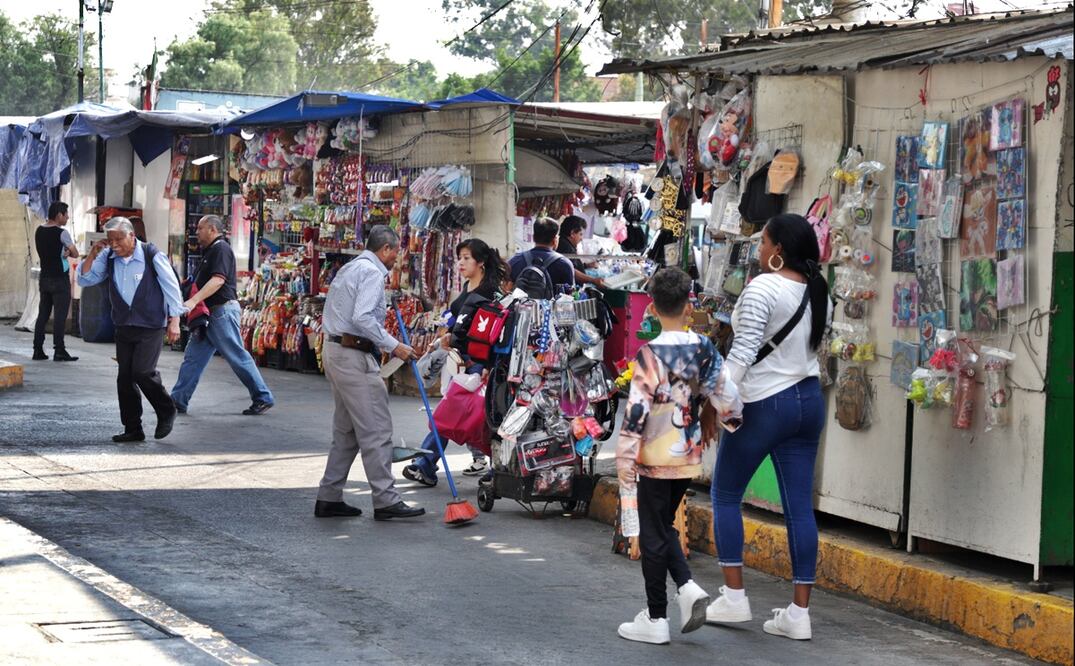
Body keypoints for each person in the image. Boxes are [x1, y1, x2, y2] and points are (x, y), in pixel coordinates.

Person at [707, 213, 832, 641]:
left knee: (725, 494)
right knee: (799, 506)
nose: (759, 250)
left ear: (777, 249)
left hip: (764, 403)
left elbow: (741, 354)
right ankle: (799, 614)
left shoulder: (763, 286)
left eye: (763, 243)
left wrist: (720, 400)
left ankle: (734, 596)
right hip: (808, 400)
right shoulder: (818, 289)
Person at [615, 267, 742, 645]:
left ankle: (656, 618)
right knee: (662, 526)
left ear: (651, 308)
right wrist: (729, 421)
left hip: (653, 458)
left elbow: (635, 414)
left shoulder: (649, 354)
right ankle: (686, 588)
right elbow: (728, 396)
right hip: (688, 456)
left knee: (654, 535)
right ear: (690, 306)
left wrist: (624, 463)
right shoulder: (704, 348)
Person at [315, 225, 425, 521]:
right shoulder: (373, 272)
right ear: (386, 249)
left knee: (347, 432)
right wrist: (395, 345)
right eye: (395, 253)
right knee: (376, 429)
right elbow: (362, 317)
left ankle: (329, 496)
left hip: (337, 351)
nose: (396, 260)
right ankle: (386, 499)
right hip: (353, 356)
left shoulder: (351, 267)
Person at [402, 238, 507, 487]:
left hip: (480, 368)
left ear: (480, 262)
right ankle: (426, 464)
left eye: (466, 258)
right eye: (459, 257)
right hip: (460, 366)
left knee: (482, 422)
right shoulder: (467, 292)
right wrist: (441, 341)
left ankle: (496, 467)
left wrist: (486, 368)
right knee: (452, 416)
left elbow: (491, 335)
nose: (461, 262)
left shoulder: (492, 295)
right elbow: (457, 325)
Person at [78, 217, 183, 442]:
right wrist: (92, 254)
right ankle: (133, 428)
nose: (114, 244)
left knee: (143, 372)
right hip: (124, 325)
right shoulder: (108, 257)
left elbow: (171, 287)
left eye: (118, 239)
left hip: (150, 324)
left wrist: (175, 320)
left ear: (131, 236)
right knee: (124, 378)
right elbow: (85, 279)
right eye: (110, 240)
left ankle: (167, 409)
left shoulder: (151, 254)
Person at [170, 215, 275, 416]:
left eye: (200, 228)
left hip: (221, 312)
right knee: (193, 358)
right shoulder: (211, 251)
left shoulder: (221, 249)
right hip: (208, 314)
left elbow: (218, 281)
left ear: (212, 229)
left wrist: (192, 301)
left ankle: (262, 396)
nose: (196, 232)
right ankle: (178, 400)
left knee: (236, 355)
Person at [33, 201, 80, 362]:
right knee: (60, 316)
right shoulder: (62, 233)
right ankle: (59, 350)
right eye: (66, 214)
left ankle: (37, 350)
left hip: (44, 278)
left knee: (43, 315)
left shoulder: (39, 230)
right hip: (59, 279)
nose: (67, 218)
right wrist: (67, 251)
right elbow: (75, 253)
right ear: (59, 215)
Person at [507, 217, 575, 296]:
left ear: (533, 238)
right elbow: (569, 297)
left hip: (520, 307)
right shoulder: (564, 264)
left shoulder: (515, 261)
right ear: (555, 240)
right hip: (552, 308)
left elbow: (507, 290)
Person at [555, 215, 606, 289]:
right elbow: (571, 270)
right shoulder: (565, 247)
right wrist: (593, 280)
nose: (581, 238)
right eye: (580, 234)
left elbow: (572, 265)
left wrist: (586, 266)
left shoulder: (566, 244)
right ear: (572, 233)